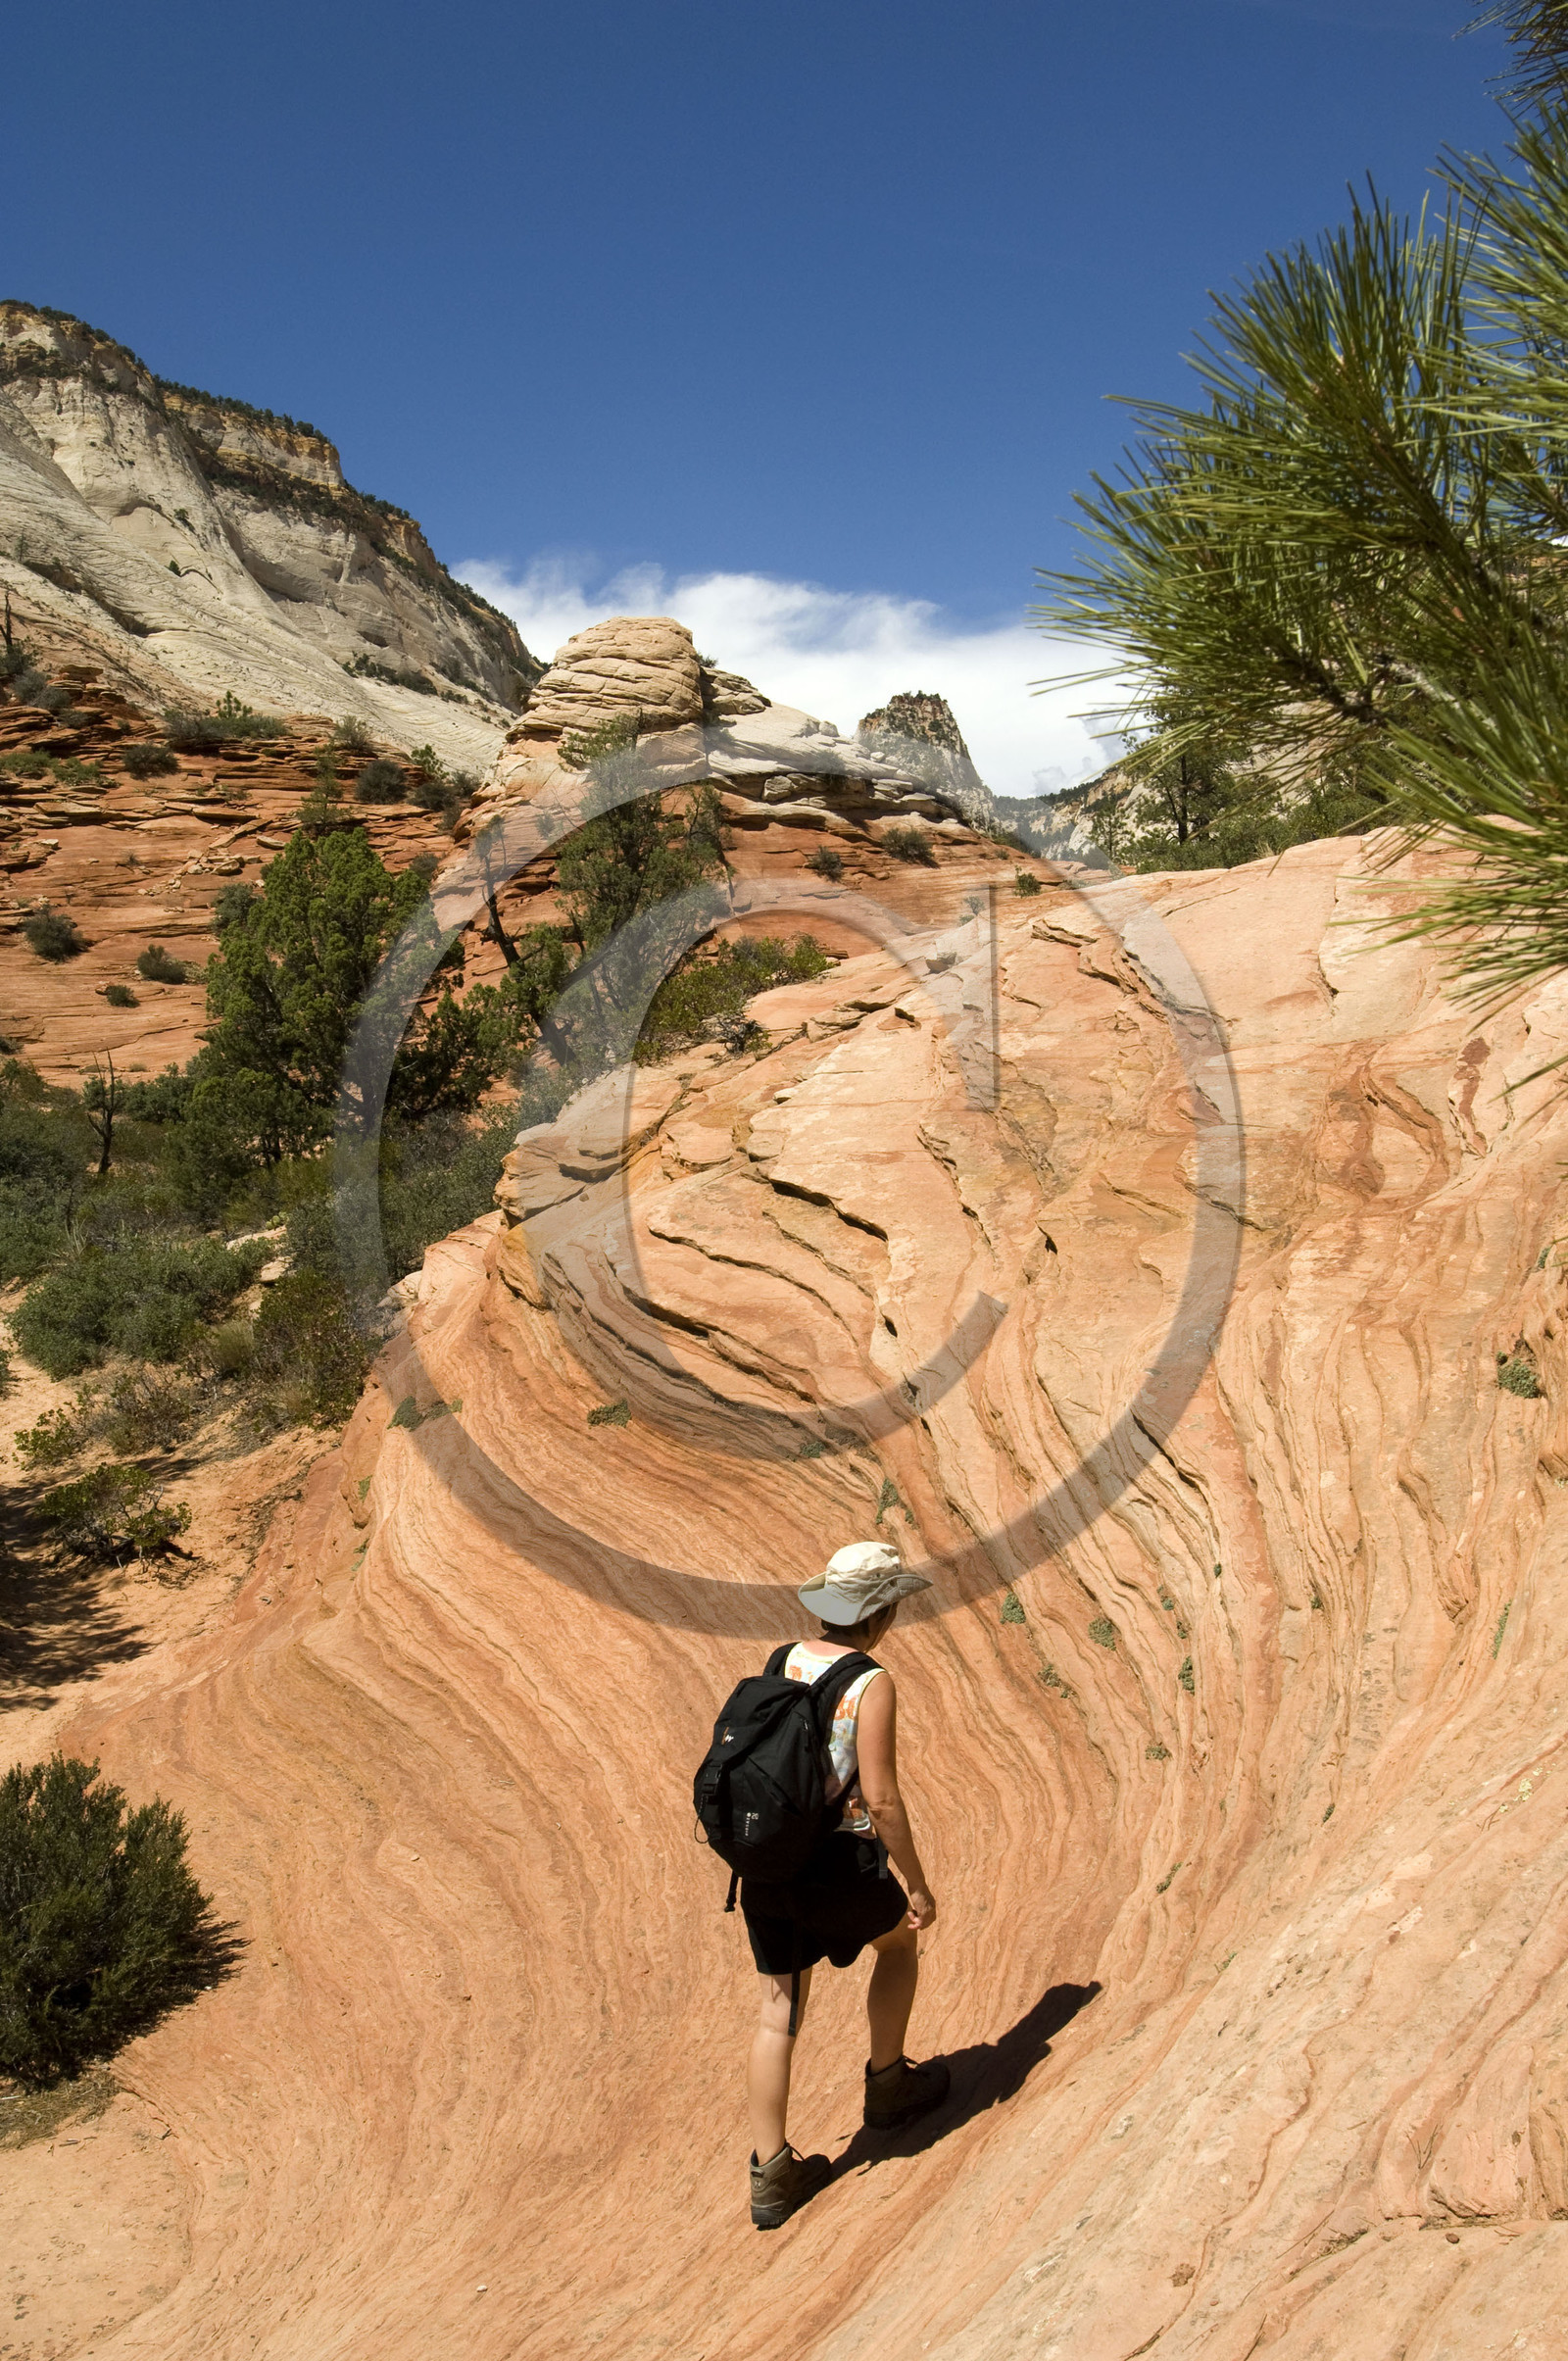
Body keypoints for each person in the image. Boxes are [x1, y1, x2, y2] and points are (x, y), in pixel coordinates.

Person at [743, 1541, 950, 2231]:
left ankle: (770, 2173)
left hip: (770, 1865)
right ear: (881, 1611)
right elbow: (882, 1798)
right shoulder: (871, 1681)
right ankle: (888, 2085)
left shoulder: (782, 1659)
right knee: (896, 1943)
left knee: (778, 2014)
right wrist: (916, 1884)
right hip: (839, 1868)